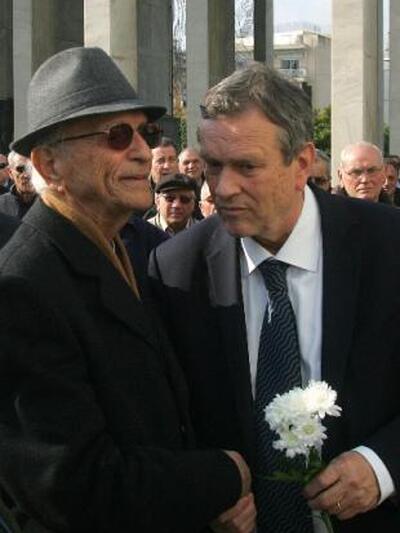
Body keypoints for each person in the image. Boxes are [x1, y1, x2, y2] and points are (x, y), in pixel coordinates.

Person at [0, 46, 255, 533]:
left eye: (147, 133)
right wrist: (225, 475)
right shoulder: (22, 289)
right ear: (49, 165)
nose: (142, 151)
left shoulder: (119, 250)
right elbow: (77, 488)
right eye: (118, 135)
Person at [149, 63, 400, 532]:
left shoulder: (387, 245)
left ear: (302, 164)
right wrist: (205, 494)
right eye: (213, 165)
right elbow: (167, 420)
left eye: (247, 166)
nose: (223, 188)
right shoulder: (177, 269)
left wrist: (383, 465)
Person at [0, 151, 36, 218]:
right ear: (10, 173)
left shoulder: (51, 201)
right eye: (21, 169)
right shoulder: (2, 205)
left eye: (31, 168)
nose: (27, 175)